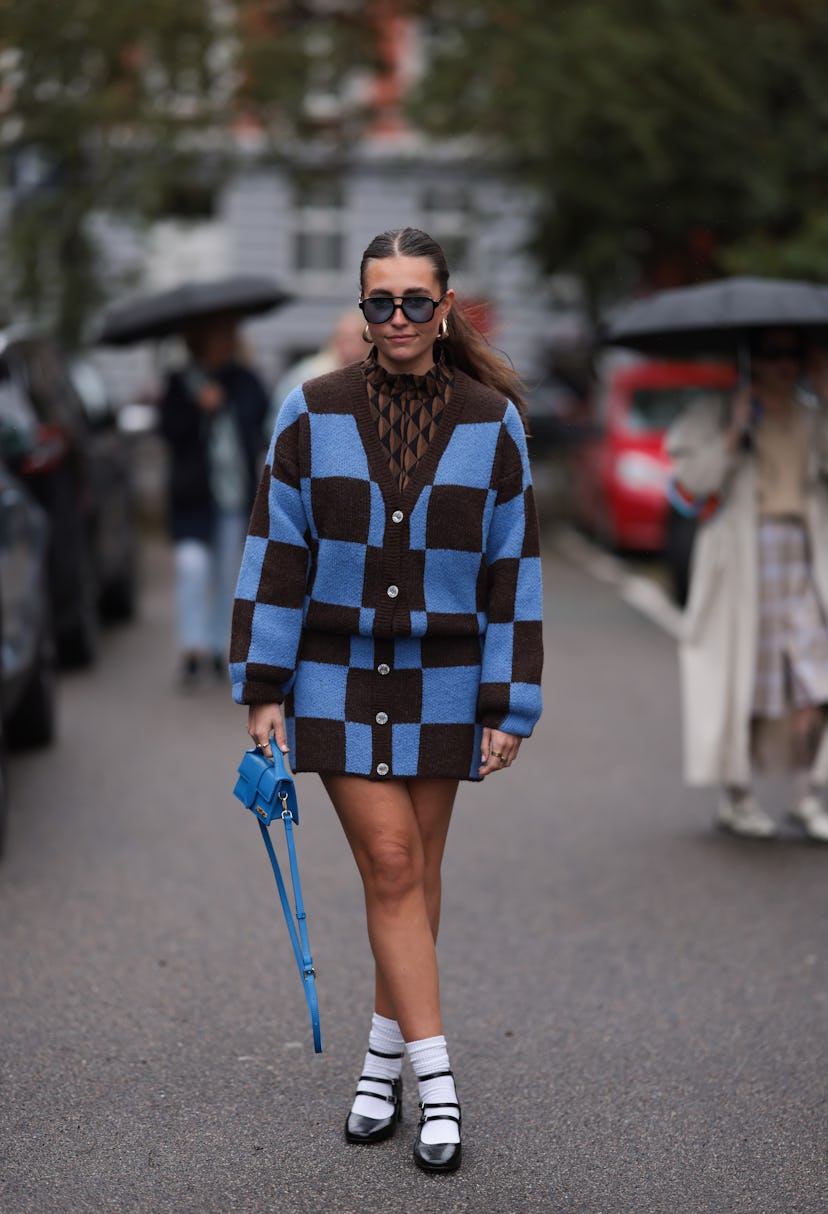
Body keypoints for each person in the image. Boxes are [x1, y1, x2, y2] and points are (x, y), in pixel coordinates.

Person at [230, 227, 543, 1172]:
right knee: (396, 860)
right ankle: (438, 1083)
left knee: (409, 878)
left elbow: (512, 571)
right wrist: (263, 686)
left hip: (446, 680)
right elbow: (276, 556)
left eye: (415, 300)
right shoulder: (311, 411)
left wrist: (508, 702)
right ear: (361, 310)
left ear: (445, 308)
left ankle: (379, 1066)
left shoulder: (495, 421)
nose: (398, 318)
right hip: (334, 673)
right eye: (380, 302)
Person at [666, 326, 828, 840]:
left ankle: (806, 796)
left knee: (815, 683)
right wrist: (734, 432)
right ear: (750, 359)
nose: (784, 363)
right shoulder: (714, 412)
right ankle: (737, 797)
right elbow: (692, 486)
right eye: (771, 353)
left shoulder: (812, 415)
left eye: (792, 353)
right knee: (745, 684)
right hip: (741, 562)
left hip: (804, 558)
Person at [159, 314, 269, 690]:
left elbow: (258, 426)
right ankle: (191, 649)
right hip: (192, 496)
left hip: (234, 494)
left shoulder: (246, 380)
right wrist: (197, 409)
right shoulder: (178, 382)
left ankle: (220, 649)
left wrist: (226, 406)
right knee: (192, 567)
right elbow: (169, 432)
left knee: (229, 576)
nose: (222, 341)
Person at [267, 309, 366, 433]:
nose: (352, 345)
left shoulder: (371, 376)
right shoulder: (307, 374)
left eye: (357, 338)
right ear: (335, 340)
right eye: (346, 338)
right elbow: (279, 422)